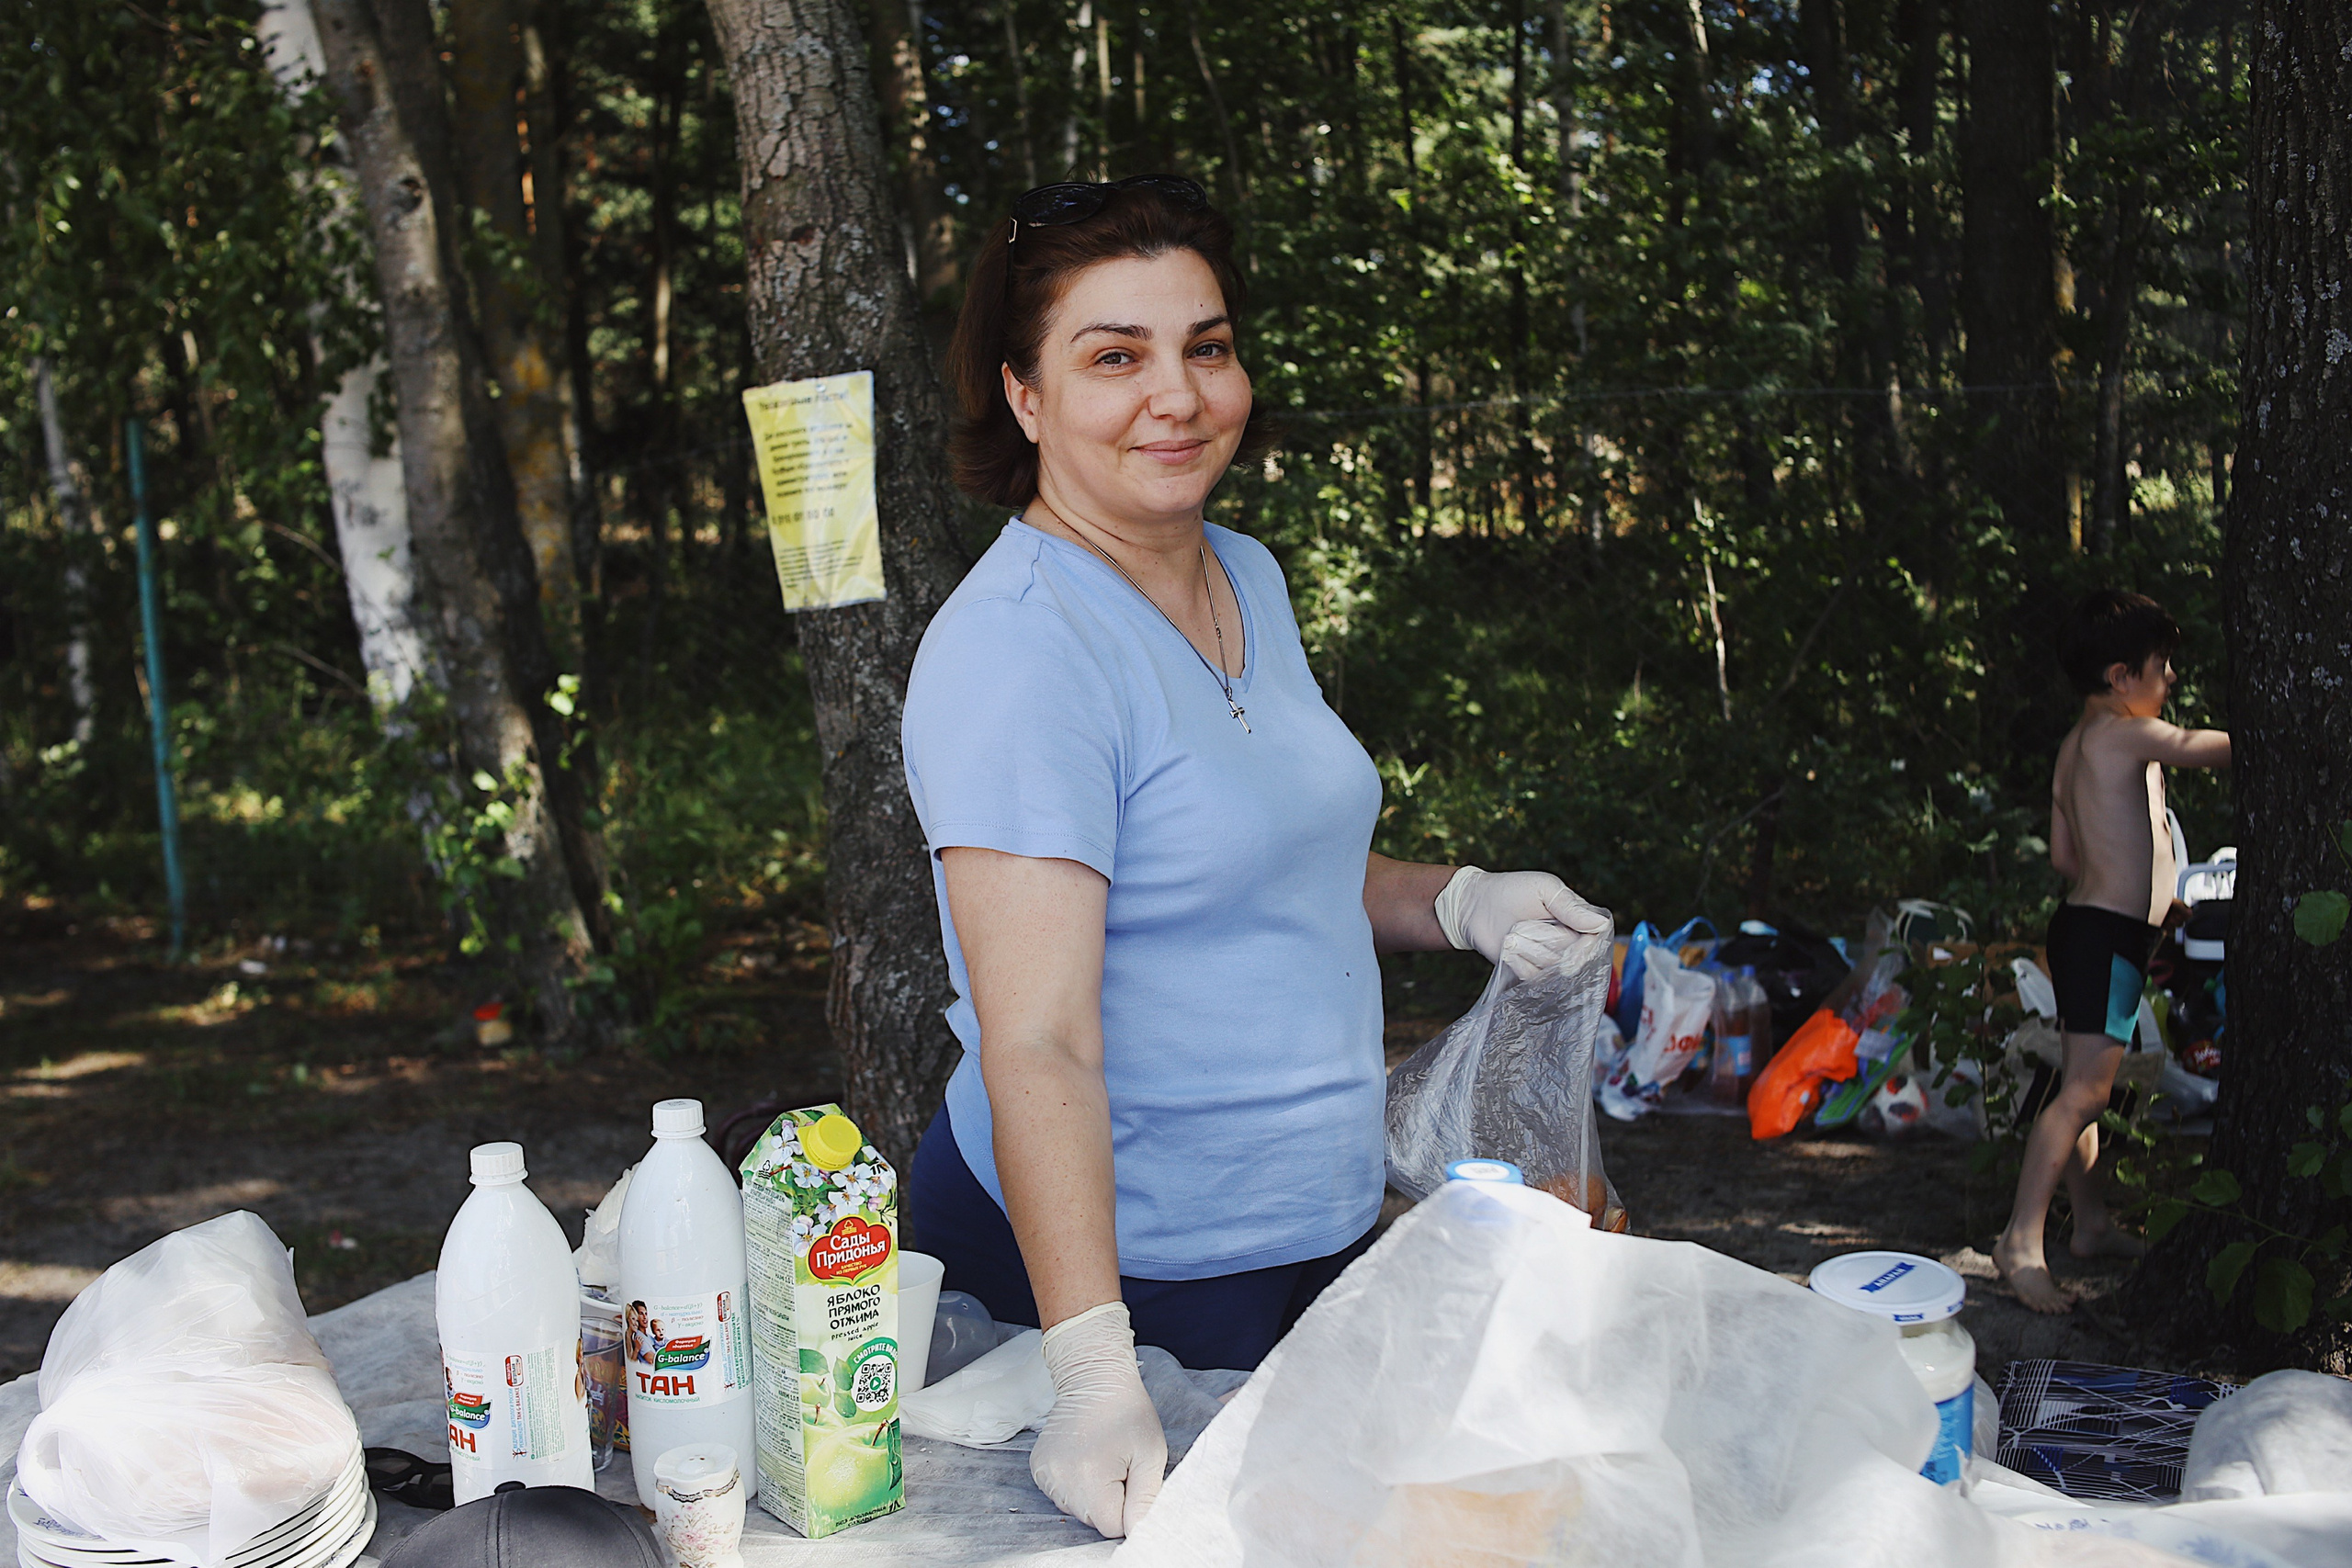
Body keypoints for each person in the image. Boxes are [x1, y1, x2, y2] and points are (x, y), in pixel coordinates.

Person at [898, 175, 1610, 1538]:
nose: (1177, 393)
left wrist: (1458, 901)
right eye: (1115, 356)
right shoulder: (1017, 652)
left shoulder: (1246, 571)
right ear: (1026, 396)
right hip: (1126, 1265)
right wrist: (1092, 1366)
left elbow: (1252, 862)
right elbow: (1035, 1038)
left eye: (1205, 345)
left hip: (1319, 1218)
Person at [1993, 590, 2230, 1314]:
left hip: (2089, 925)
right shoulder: (2128, 734)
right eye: (2163, 668)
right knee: (2086, 1094)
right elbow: (2205, 748)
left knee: (2084, 1081)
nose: (2171, 682)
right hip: (2106, 936)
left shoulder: (2077, 744)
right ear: (2122, 675)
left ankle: (2089, 1223)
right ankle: (2020, 1243)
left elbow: (2068, 855)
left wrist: (2157, 894)